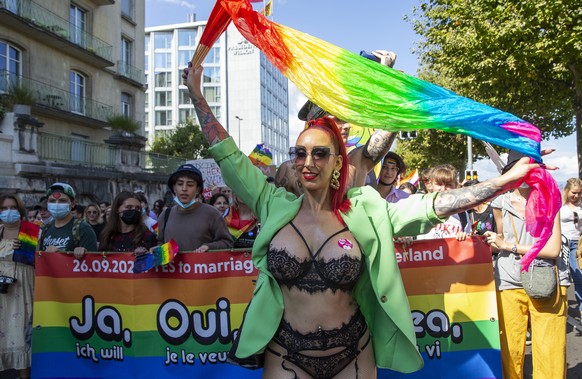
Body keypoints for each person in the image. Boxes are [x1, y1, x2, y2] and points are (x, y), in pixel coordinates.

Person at [185, 64, 547, 377]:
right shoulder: (272, 204)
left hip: (353, 354)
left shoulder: (368, 209)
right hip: (284, 353)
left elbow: (433, 206)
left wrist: (500, 183)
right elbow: (228, 156)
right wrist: (198, 96)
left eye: (319, 153)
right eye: (300, 153)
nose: (308, 162)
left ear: (337, 163)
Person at [484, 150, 567, 379]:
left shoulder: (551, 198)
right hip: (510, 280)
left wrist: (508, 246)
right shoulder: (500, 202)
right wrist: (478, 242)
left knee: (550, 351)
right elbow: (498, 241)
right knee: (510, 350)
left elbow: (552, 250)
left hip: (547, 279)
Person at [275, 50, 398, 197]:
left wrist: (386, 77)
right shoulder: (290, 170)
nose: (347, 126)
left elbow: (393, 122)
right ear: (319, 124)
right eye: (339, 119)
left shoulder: (356, 163)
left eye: (347, 120)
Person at [157, 164, 233, 252]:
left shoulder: (212, 213)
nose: (184, 188)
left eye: (190, 185)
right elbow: (160, 242)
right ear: (174, 188)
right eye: (180, 184)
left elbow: (227, 243)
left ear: (198, 190)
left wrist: (209, 247)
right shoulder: (166, 215)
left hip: (204, 265)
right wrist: (157, 250)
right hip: (175, 266)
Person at [0, 193, 34, 379]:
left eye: (12, 207)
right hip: (1, 285)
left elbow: (40, 256)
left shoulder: (32, 230)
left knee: (23, 331)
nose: (8, 212)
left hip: (25, 284)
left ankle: (24, 375)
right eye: (4, 208)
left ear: (20, 210)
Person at [38, 183, 98, 259]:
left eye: (62, 201)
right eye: (52, 201)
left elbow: (94, 263)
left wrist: (63, 253)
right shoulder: (46, 229)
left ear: (73, 204)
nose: (56, 204)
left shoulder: (83, 229)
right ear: (47, 204)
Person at [416, 164, 472, 240]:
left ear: (455, 186)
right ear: (431, 184)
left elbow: (468, 240)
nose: (443, 189)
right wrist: (406, 239)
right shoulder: (420, 208)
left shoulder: (462, 213)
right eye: (439, 184)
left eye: (449, 185)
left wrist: (463, 237)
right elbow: (408, 235)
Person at [560, 177, 582, 317]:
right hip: (561, 244)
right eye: (574, 192)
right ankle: (561, 307)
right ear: (567, 191)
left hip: (577, 245)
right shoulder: (559, 206)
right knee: (562, 277)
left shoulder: (581, 207)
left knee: (579, 277)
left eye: (579, 193)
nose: (576, 196)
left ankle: (581, 310)